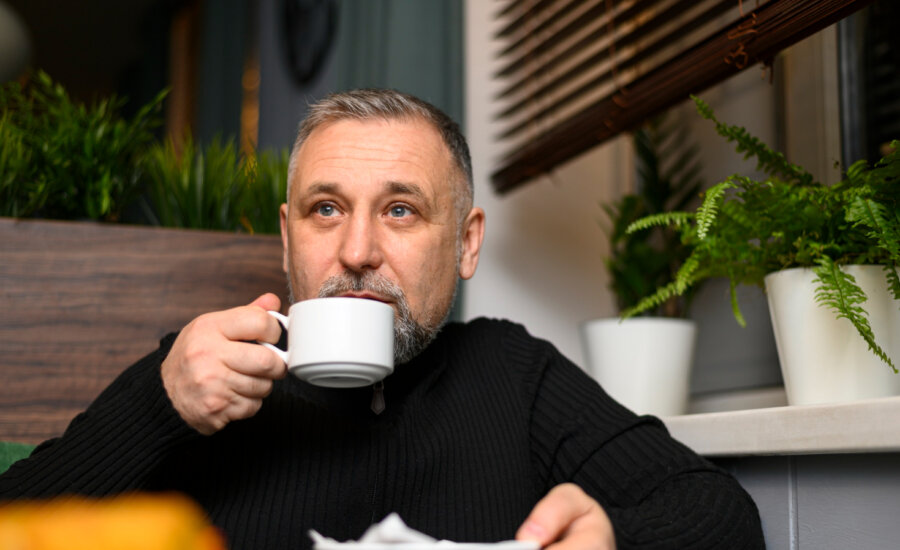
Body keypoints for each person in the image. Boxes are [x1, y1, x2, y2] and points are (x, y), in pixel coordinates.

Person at [0, 89, 764, 549]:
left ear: (466, 245)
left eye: (400, 210)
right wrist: (157, 405)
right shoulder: (199, 374)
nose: (358, 250)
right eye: (325, 208)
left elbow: (723, 518)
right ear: (286, 235)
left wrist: (613, 539)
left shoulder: (513, 372)